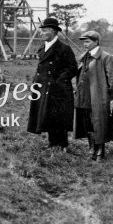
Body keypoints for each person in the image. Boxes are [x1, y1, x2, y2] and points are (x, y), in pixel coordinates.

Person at [27, 18, 78, 152]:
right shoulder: (43, 47)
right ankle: (52, 142)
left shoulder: (64, 49)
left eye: (44, 31)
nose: (41, 33)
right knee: (47, 114)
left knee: (59, 116)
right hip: (42, 86)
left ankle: (62, 144)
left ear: (53, 32)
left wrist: (59, 81)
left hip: (58, 89)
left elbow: (72, 68)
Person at [74, 31, 113, 161]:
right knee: (88, 124)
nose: (85, 44)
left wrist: (105, 95)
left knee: (99, 124)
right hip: (84, 97)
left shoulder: (106, 57)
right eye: (84, 42)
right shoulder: (84, 57)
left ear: (96, 42)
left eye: (88, 41)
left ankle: (100, 151)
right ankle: (92, 149)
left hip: (98, 98)